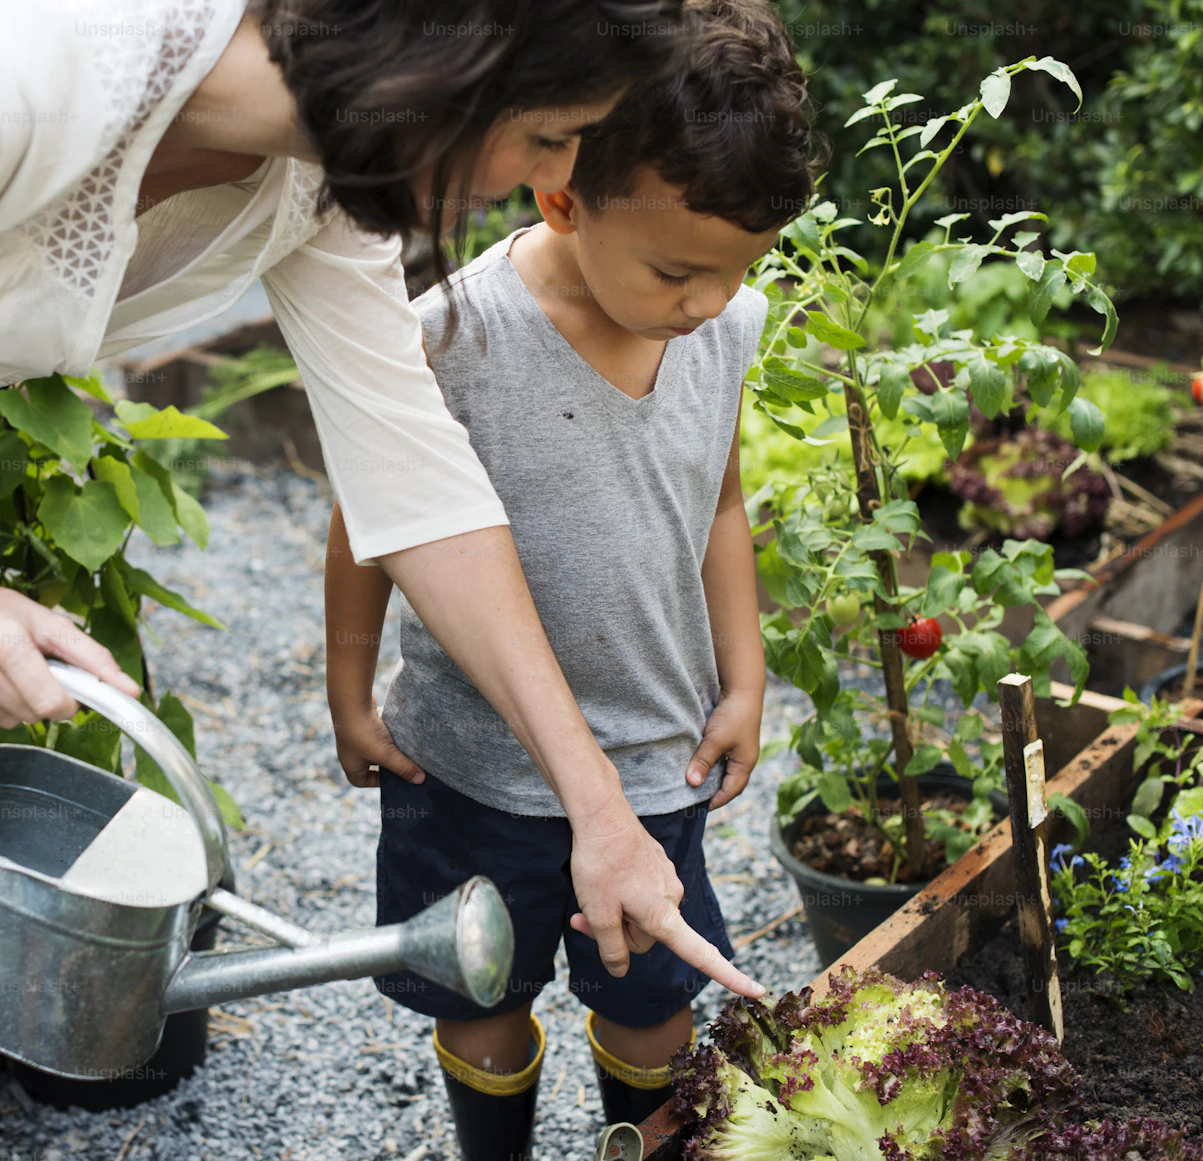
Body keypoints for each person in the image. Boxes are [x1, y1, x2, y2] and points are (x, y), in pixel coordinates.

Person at [0, 0, 766, 1153]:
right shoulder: (20, 64)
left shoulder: (330, 175)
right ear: (441, 69)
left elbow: (421, 495)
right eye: (549, 134)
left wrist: (599, 810)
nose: (557, 181)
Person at [324, 2, 815, 1153]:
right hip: (473, 769)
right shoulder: (458, 335)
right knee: (480, 991)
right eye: (677, 272)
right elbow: (372, 522)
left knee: (653, 1005)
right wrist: (351, 694)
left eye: (737, 273)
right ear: (561, 197)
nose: (709, 306)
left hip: (653, 764)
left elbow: (721, 501)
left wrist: (743, 679)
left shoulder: (725, 324)